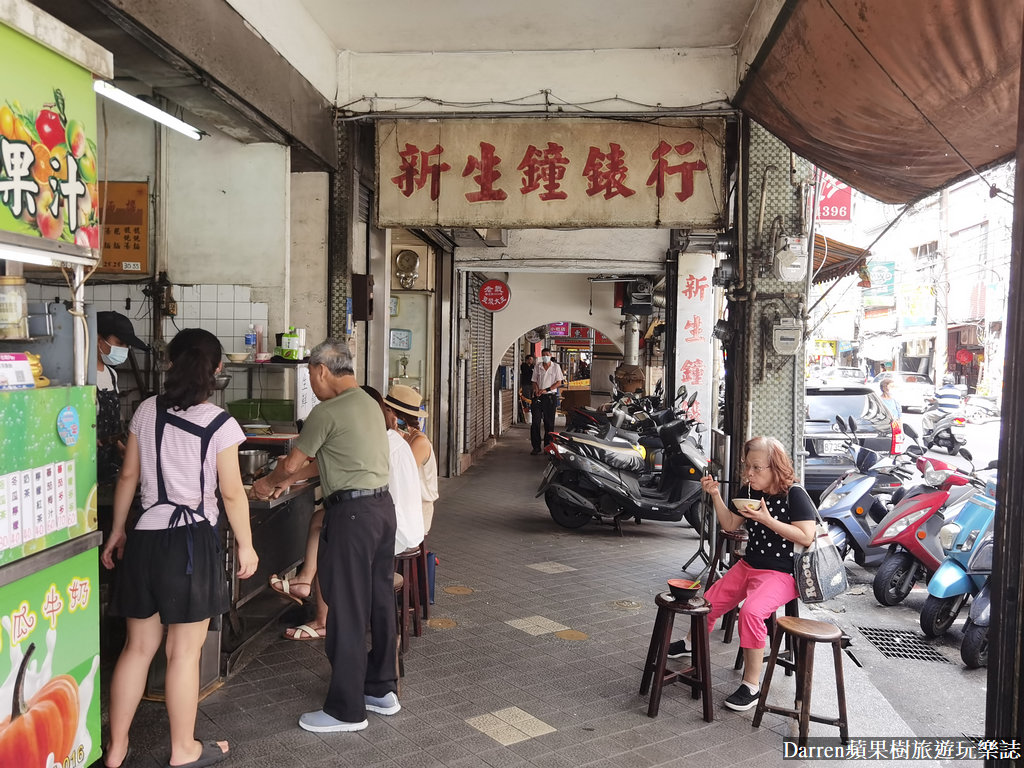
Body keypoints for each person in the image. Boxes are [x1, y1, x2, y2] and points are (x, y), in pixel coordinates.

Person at [101, 328, 258, 768]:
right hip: (189, 542)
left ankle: (115, 750)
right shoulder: (220, 423)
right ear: (218, 371)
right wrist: (246, 545)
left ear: (170, 363)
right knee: (183, 653)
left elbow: (128, 477)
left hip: (146, 536)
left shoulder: (146, 411)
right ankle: (183, 749)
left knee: (136, 648)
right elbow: (231, 494)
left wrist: (117, 532)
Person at [255, 339, 398, 732]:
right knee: (379, 601)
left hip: (352, 516)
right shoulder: (369, 403)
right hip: (382, 511)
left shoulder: (327, 410)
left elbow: (294, 462)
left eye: (310, 375)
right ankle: (381, 688)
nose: (312, 383)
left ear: (320, 370)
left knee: (347, 609)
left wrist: (270, 483)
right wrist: (289, 478)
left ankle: (346, 710)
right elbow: (328, 462)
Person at [261, 385, 423, 642]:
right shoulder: (390, 438)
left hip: (391, 527)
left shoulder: (376, 440)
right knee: (322, 520)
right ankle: (306, 585)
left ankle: (322, 618)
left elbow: (316, 464)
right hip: (403, 522)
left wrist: (283, 477)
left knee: (330, 531)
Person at [666, 436, 815, 712]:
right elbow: (730, 522)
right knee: (707, 602)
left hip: (782, 573)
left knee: (752, 612)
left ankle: (751, 685)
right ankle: (690, 643)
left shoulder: (795, 494)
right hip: (749, 566)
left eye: (757, 468)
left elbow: (807, 537)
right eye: (748, 467)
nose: (749, 473)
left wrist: (768, 521)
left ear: (776, 467)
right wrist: (714, 495)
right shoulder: (750, 491)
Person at [95, 311, 148, 485]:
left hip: (109, 459)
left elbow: (111, 422)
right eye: (120, 343)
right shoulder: (79, 376)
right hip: (87, 461)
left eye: (126, 345)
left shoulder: (111, 374)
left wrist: (118, 445)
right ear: (97, 339)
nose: (124, 349)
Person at [385, 384, 438, 535]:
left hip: (416, 509)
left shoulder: (419, 441)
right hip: (400, 504)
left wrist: (395, 436)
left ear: (396, 415)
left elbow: (402, 474)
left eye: (387, 410)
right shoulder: (399, 436)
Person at [530, 347, 564, 455]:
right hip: (538, 397)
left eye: (547, 354)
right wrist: (536, 390)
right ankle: (536, 447)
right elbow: (534, 381)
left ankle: (548, 446)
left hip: (550, 397)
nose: (545, 356)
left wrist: (546, 390)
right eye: (543, 354)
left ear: (550, 355)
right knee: (535, 422)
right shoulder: (538, 366)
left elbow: (559, 382)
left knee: (549, 423)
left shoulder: (556, 367)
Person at [519, 354, 535, 422]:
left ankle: (531, 410)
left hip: (531, 384)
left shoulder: (533, 366)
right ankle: (526, 409)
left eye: (532, 359)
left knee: (531, 397)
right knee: (526, 397)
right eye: (530, 359)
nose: (531, 361)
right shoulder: (523, 366)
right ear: (527, 360)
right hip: (525, 384)